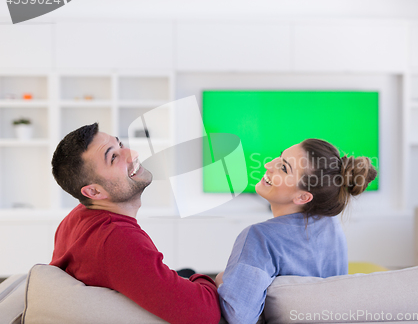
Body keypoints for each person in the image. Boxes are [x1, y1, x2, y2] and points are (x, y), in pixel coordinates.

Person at [50, 123, 221, 324]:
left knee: (186, 273)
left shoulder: (78, 215)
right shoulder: (116, 239)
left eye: (120, 144)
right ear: (94, 192)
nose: (132, 153)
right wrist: (212, 282)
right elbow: (206, 314)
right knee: (199, 277)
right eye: (113, 157)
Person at [215, 138, 377, 324]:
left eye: (284, 168)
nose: (268, 164)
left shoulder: (260, 238)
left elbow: (239, 317)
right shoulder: (331, 224)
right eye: (279, 157)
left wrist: (221, 280)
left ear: (303, 196)